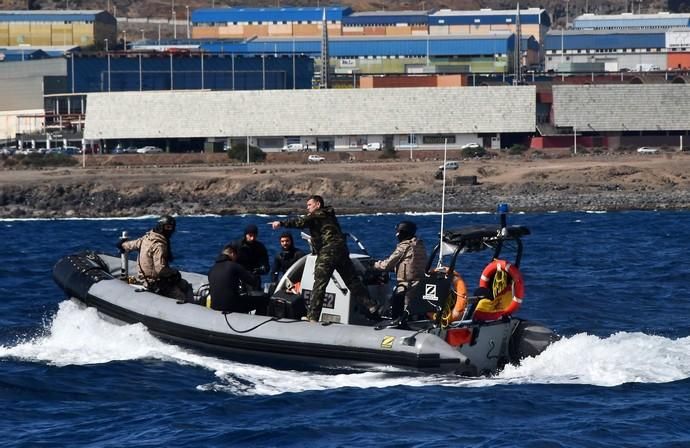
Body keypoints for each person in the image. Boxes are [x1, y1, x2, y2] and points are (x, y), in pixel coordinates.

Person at [269, 195, 380, 322]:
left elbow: (300, 222)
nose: (307, 208)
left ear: (318, 205)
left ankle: (313, 316)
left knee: (319, 283)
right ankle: (371, 306)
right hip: (342, 250)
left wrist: (281, 223)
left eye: (309, 205)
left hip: (329, 251)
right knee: (352, 281)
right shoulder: (329, 215)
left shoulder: (317, 214)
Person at [117, 215, 193, 302]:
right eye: (167, 227)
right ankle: (192, 311)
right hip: (155, 282)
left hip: (144, 279)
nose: (169, 230)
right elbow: (160, 269)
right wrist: (174, 272)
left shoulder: (146, 238)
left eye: (171, 228)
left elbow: (131, 245)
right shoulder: (159, 245)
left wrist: (123, 244)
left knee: (185, 284)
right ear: (161, 226)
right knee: (181, 297)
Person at [374, 220, 428, 326]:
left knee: (398, 301)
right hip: (420, 282)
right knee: (413, 308)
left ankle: (397, 322)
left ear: (403, 232)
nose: (396, 235)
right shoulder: (419, 245)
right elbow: (411, 263)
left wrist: (375, 265)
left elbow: (386, 264)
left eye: (398, 232)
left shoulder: (404, 246)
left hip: (407, 284)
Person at [208, 243, 269, 314]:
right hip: (231, 306)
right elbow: (253, 281)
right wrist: (256, 272)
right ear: (232, 254)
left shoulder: (212, 269)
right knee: (264, 300)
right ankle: (259, 322)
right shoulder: (234, 266)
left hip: (214, 306)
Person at [232, 224, 270, 288]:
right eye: (250, 235)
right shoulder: (236, 245)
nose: (252, 238)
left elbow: (266, 265)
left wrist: (261, 269)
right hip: (238, 275)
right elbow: (227, 259)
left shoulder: (260, 247)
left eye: (254, 236)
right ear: (245, 235)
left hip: (253, 275)